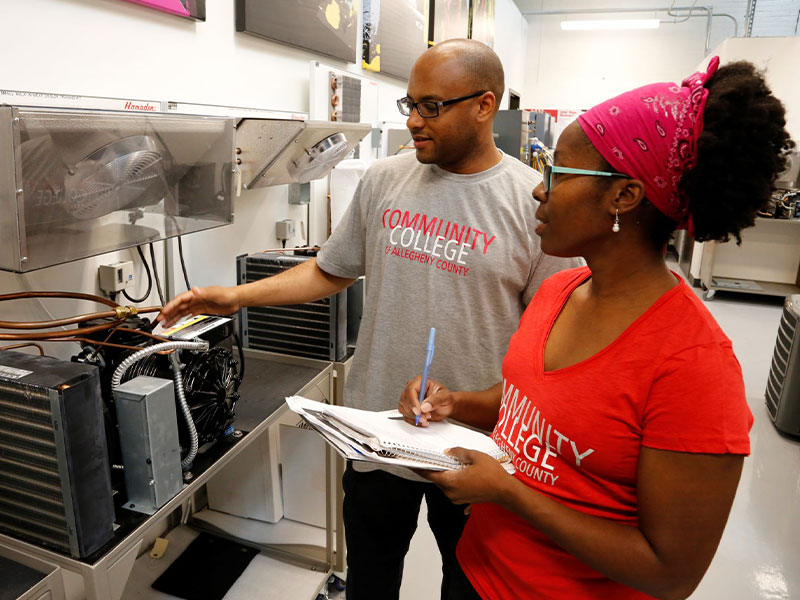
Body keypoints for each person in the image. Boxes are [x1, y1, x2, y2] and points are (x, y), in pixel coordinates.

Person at [158, 39, 578, 599]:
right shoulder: (385, 179)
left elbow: (554, 345)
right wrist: (238, 297)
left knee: (470, 585)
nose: (414, 122)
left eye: (432, 106)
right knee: (372, 580)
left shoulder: (533, 203)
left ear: (484, 105)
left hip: (474, 446)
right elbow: (330, 271)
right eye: (409, 105)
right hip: (376, 431)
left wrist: (489, 408)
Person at [399, 57, 794, 600]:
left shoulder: (692, 363)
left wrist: (510, 493)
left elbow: (670, 573)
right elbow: (528, 405)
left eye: (556, 173)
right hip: (475, 573)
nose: (539, 191)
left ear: (623, 196)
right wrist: (456, 403)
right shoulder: (562, 292)